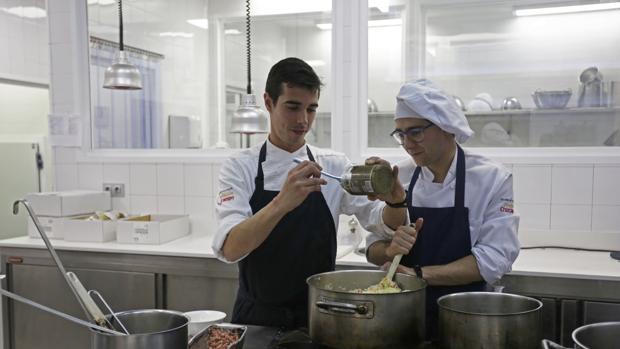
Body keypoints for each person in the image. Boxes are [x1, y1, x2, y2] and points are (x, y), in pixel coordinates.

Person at [213, 57, 407, 329]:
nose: (303, 120)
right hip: (258, 319)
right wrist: (282, 202)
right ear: (268, 102)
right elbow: (231, 248)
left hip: (322, 315)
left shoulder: (334, 166)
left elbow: (385, 224)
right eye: (292, 107)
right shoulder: (240, 167)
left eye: (311, 109)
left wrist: (395, 198)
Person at [365, 79, 520, 340]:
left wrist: (417, 275)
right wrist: (389, 249)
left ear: (447, 127)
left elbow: (494, 258)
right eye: (400, 134)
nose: (407, 143)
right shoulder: (399, 176)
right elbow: (372, 250)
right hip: (401, 318)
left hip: (465, 316)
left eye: (415, 132)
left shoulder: (491, 178)